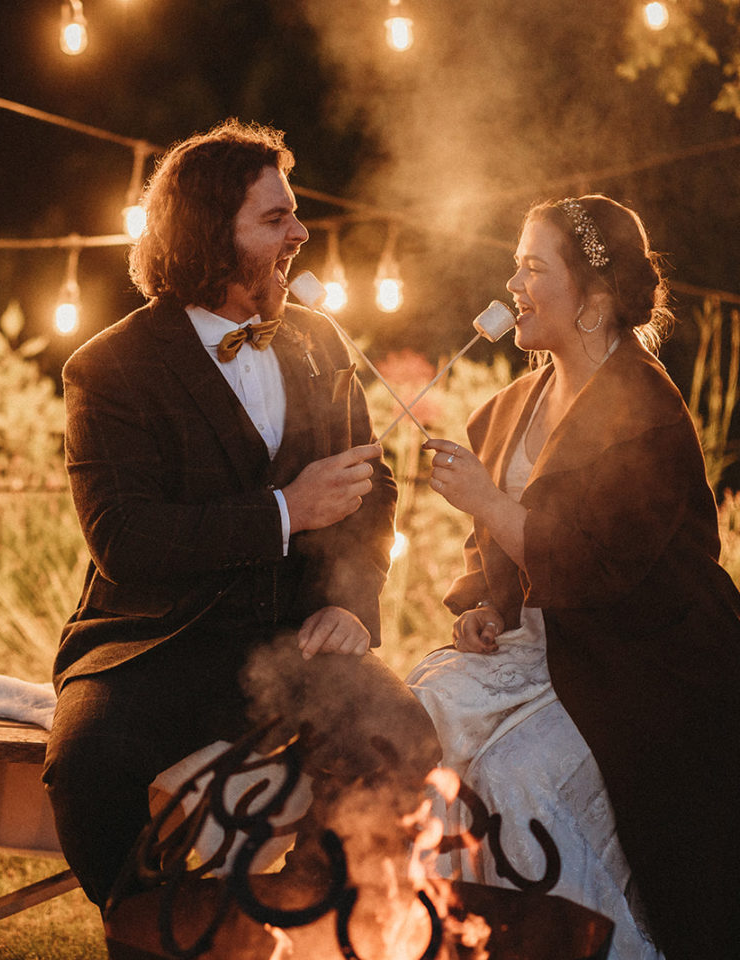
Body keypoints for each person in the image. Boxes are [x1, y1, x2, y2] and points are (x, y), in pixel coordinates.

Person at [43, 119, 442, 913]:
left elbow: (376, 492)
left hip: (295, 640)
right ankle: (159, 927)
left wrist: (352, 605)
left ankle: (306, 911)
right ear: (206, 236)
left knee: (402, 734)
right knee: (87, 767)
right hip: (153, 644)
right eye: (274, 219)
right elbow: (125, 540)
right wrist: (284, 512)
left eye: (293, 213)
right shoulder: (108, 368)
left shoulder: (324, 343)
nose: (300, 232)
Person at [410, 195, 740, 960]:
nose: (512, 284)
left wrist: (486, 495)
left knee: (515, 779)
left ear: (594, 302)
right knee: (420, 721)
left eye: (532, 267)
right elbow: (488, 546)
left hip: (647, 660)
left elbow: (598, 566)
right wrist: (483, 602)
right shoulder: (515, 402)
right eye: (515, 264)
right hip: (551, 647)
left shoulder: (646, 409)